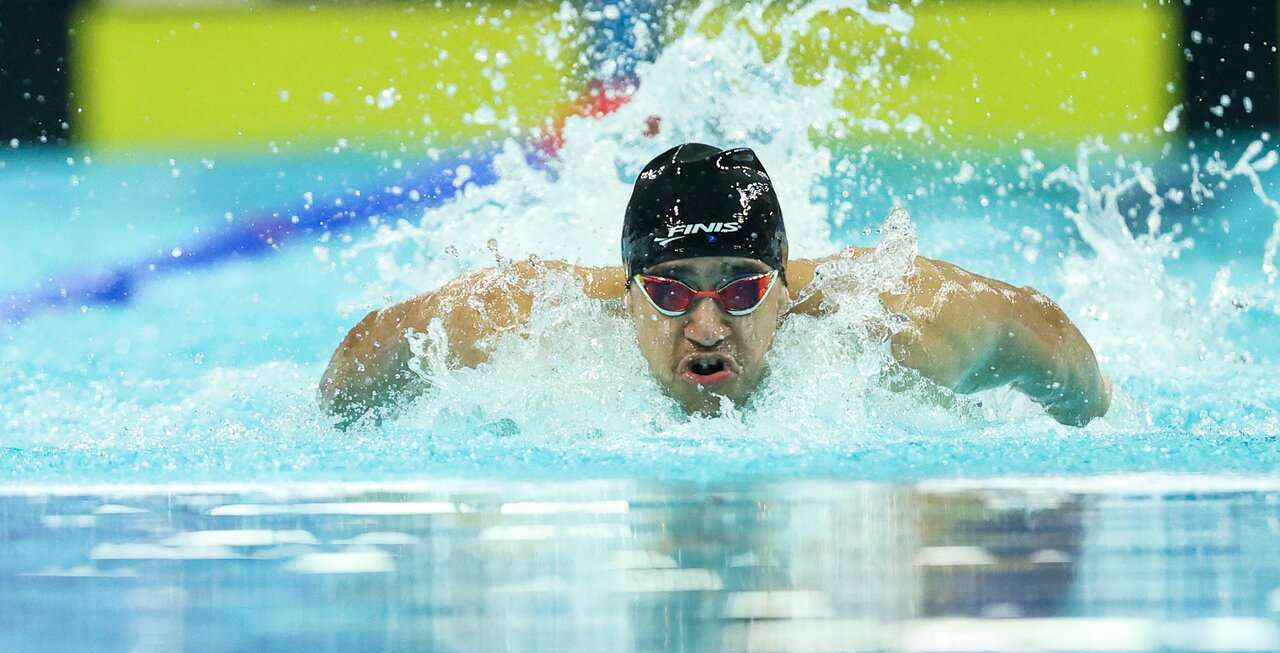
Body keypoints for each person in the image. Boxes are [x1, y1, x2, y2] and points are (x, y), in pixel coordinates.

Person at [320, 143, 1111, 428]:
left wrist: (1099, 408)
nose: (705, 326)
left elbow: (1048, 337)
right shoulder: (527, 324)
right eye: (670, 293)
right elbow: (359, 361)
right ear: (626, 290)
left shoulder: (901, 319)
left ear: (784, 287)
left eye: (739, 291)